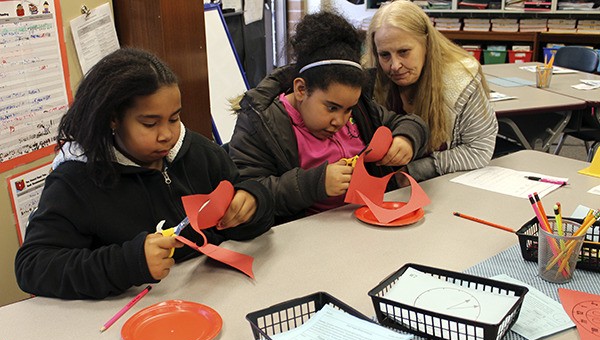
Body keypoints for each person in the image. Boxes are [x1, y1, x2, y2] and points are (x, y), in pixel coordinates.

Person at [15, 48, 274, 300]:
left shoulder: (198, 152)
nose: (167, 135)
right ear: (113, 119)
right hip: (131, 314)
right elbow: (32, 267)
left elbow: (244, 193)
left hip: (217, 296)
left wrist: (253, 200)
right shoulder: (76, 180)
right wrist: (128, 263)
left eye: (174, 118)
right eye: (149, 124)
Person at [229, 11, 429, 224]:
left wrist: (406, 138)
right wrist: (315, 184)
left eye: (347, 110)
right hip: (307, 233)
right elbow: (251, 191)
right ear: (301, 89)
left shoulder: (360, 108)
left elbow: (407, 122)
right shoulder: (261, 124)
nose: (340, 121)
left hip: (369, 220)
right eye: (331, 108)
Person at [365, 0, 498, 182]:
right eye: (384, 55)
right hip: (387, 190)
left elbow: (479, 150)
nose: (394, 66)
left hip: (445, 185)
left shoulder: (462, 81)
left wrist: (414, 170)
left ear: (427, 44)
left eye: (404, 52)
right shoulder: (368, 82)